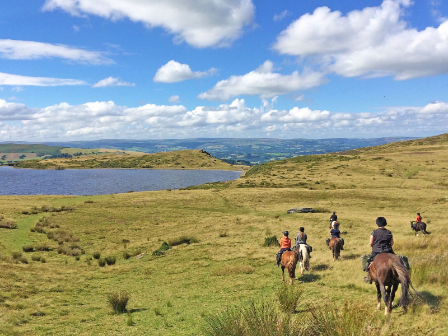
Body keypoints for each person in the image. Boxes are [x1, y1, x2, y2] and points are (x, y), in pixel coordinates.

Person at [363, 217, 394, 283]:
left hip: (376, 251)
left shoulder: (374, 232)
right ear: (385, 223)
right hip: (388, 251)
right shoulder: (389, 232)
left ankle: (369, 277)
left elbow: (371, 243)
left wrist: (374, 245)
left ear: (377, 224)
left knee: (368, 262)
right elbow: (392, 243)